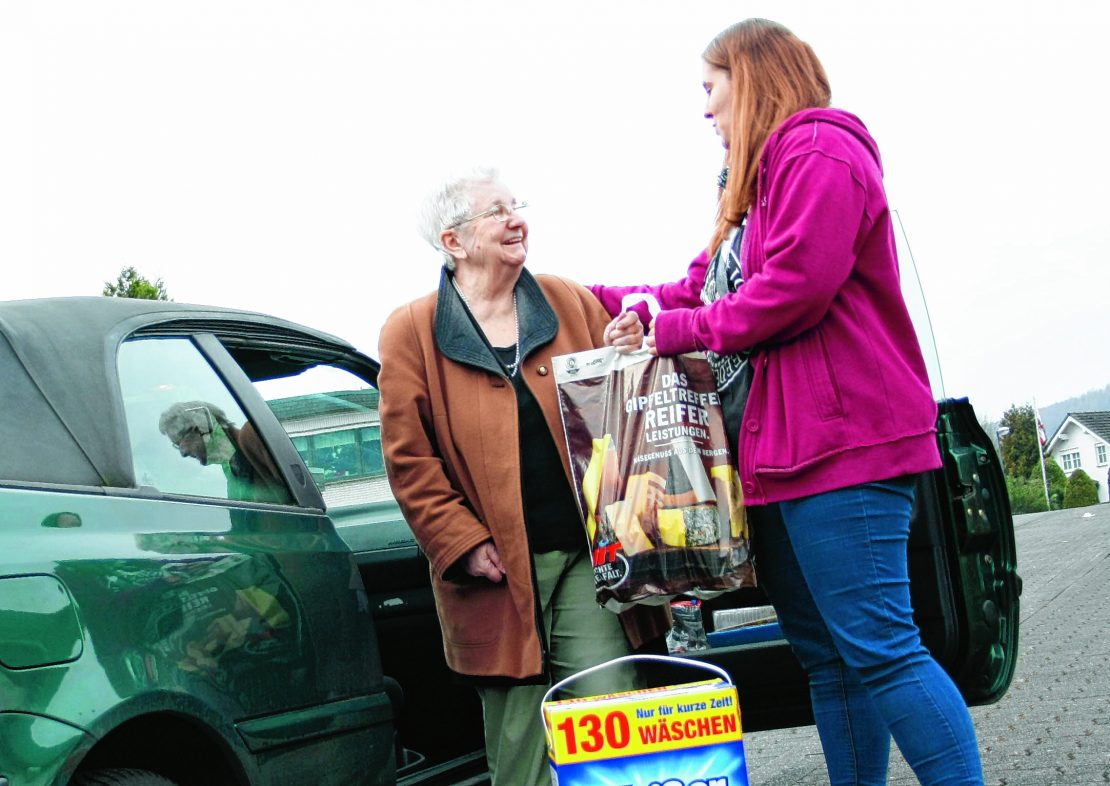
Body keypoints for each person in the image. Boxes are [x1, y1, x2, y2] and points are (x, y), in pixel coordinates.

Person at [592, 19, 985, 786]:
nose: (706, 108)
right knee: (829, 660)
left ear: (750, 75)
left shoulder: (819, 149)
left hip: (844, 452)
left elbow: (795, 288)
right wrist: (598, 299)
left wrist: (674, 331)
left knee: (883, 650)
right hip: (779, 464)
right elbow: (695, 288)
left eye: (711, 87)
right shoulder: (750, 191)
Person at [376, 167, 668, 786]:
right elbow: (409, 459)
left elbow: (622, 404)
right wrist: (460, 541)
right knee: (521, 751)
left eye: (517, 206)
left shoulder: (567, 299)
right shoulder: (410, 331)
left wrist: (625, 346)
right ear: (453, 241)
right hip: (496, 576)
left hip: (590, 558)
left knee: (611, 719)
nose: (517, 220)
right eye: (496, 212)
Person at [159, 400, 292, 505]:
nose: (183, 453)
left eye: (180, 443)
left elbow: (297, 495)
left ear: (199, 428)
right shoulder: (231, 471)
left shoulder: (251, 435)